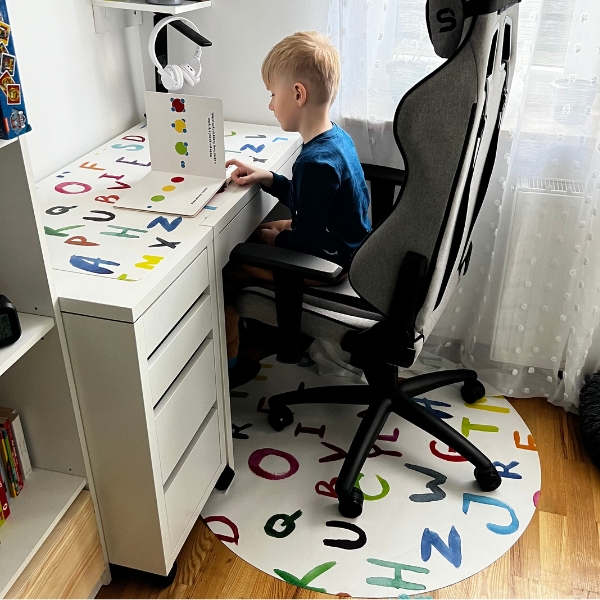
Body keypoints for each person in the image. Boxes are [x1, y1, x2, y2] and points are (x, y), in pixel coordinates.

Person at [224, 30, 371, 389]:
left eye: (272, 95)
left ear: (298, 94)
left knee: (227, 268)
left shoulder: (315, 162)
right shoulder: (336, 138)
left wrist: (276, 239)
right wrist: (268, 178)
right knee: (264, 232)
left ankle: (231, 364)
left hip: (330, 262)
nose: (270, 105)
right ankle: (263, 336)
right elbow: (311, 203)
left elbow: (305, 242)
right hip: (348, 246)